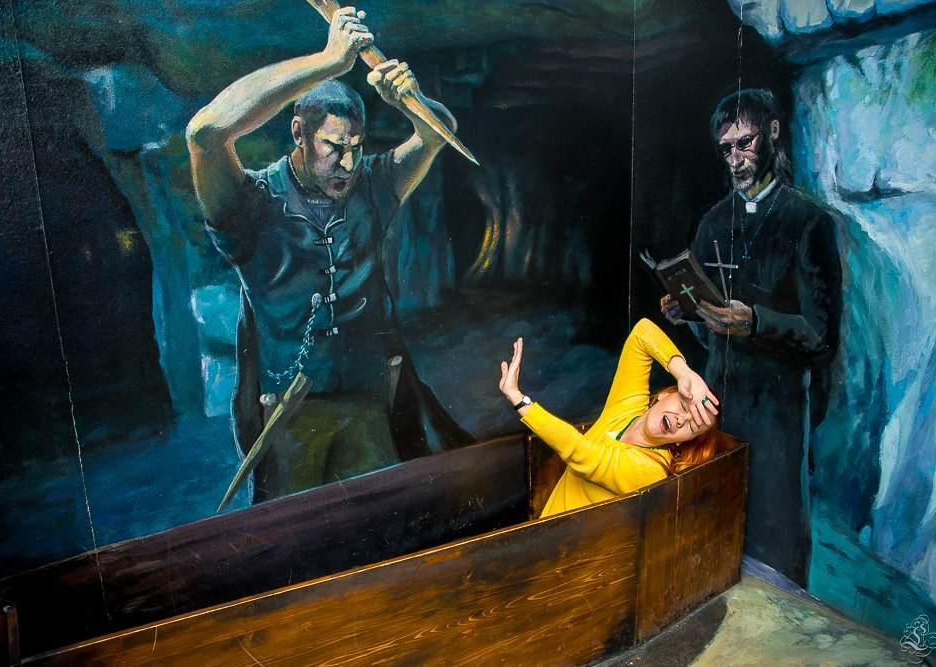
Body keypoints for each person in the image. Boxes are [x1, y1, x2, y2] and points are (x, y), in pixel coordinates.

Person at [186, 6, 471, 503]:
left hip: (370, 403)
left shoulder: (374, 184)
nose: (348, 162)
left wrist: (410, 100)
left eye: (357, 146)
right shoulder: (251, 204)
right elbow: (205, 133)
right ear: (299, 133)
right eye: (334, 146)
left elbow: (438, 130)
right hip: (288, 416)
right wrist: (329, 62)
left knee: (382, 520)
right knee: (294, 532)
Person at [658, 89, 842, 587]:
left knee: (774, 544)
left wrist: (755, 322)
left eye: (745, 143)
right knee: (712, 535)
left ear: (773, 133)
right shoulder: (713, 222)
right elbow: (709, 331)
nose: (735, 159)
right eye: (726, 149)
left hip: (777, 415)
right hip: (716, 407)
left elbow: (822, 339)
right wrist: (687, 314)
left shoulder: (809, 223)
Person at [499, 318, 739, 517]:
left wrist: (518, 398)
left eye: (692, 426)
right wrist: (684, 372)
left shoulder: (649, 471)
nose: (681, 420)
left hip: (574, 557)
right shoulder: (628, 407)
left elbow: (581, 452)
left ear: (682, 442)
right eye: (684, 405)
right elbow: (642, 333)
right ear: (665, 395)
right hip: (544, 539)